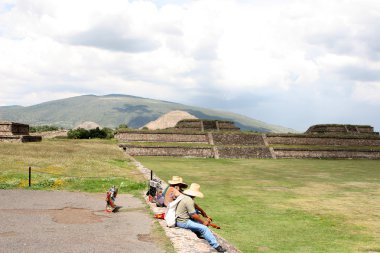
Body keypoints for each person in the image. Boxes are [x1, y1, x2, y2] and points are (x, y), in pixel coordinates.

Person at [175, 183, 227, 252]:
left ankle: (197, 232)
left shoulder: (186, 197)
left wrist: (203, 213)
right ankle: (217, 247)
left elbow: (195, 206)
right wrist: (203, 222)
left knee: (197, 216)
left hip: (180, 219)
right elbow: (193, 215)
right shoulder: (189, 200)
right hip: (183, 222)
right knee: (204, 228)